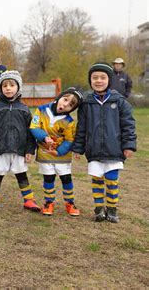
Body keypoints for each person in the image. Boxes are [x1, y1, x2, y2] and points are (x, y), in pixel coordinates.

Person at [72, 62, 137, 223]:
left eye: (102, 77)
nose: (98, 81)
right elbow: (81, 128)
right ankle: (99, 208)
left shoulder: (120, 101)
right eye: (95, 78)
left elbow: (128, 125)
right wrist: (78, 148)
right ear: (90, 80)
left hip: (114, 149)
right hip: (94, 151)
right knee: (97, 180)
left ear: (109, 80)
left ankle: (112, 209)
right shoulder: (87, 103)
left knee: (112, 179)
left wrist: (129, 145)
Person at [0, 70, 40, 213]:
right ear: (1, 88)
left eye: (12, 85)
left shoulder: (24, 109)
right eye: (5, 85)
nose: (8, 88)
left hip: (19, 148)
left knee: (21, 173)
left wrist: (29, 150)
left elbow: (30, 131)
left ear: (18, 87)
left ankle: (29, 200)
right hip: (0, 147)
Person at [30, 87, 83, 216]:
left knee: (66, 179)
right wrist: (44, 137)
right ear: (59, 97)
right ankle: (49, 203)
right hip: (45, 153)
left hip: (62, 156)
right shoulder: (41, 110)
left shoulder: (69, 122)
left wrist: (59, 152)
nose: (65, 105)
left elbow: (69, 140)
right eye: (65, 99)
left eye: (70, 105)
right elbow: (34, 126)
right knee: (48, 179)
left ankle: (70, 203)